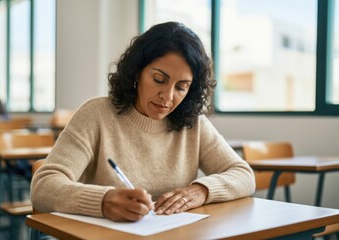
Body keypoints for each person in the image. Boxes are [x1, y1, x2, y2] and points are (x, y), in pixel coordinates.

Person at [31, 22, 255, 222]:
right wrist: (103, 201)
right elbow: (43, 186)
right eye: (159, 79)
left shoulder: (194, 124)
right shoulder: (96, 114)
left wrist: (201, 191)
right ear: (137, 72)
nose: (167, 97)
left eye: (181, 87)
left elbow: (244, 175)